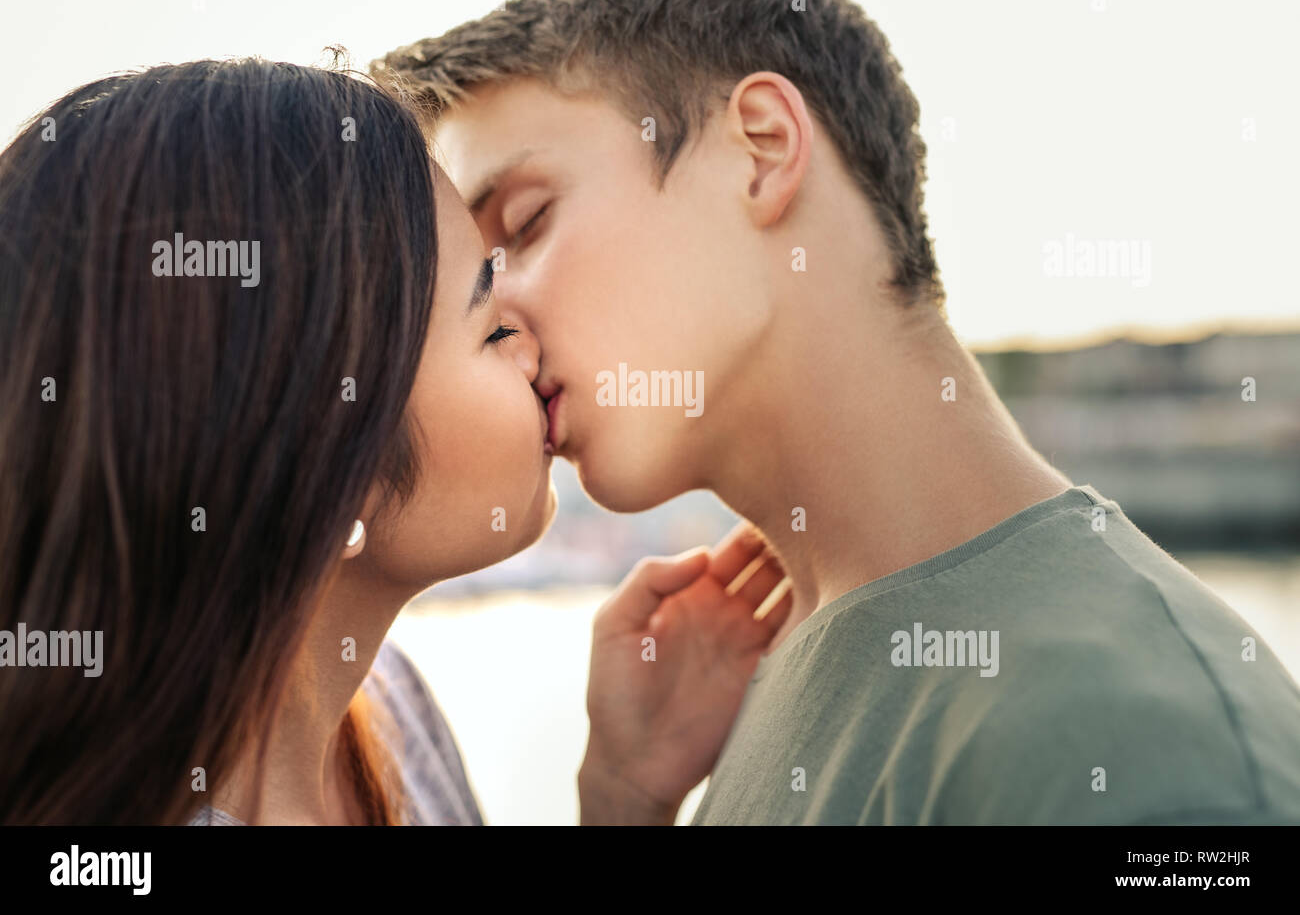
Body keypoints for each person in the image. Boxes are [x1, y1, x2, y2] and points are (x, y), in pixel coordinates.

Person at [373, 0, 1300, 823]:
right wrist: (622, 803)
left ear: (763, 149)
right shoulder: (750, 686)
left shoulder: (1144, 745)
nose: (501, 319)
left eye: (526, 226)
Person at [0, 57, 790, 825]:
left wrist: (622, 793)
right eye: (489, 323)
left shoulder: (391, 712)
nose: (533, 341)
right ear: (335, 467)